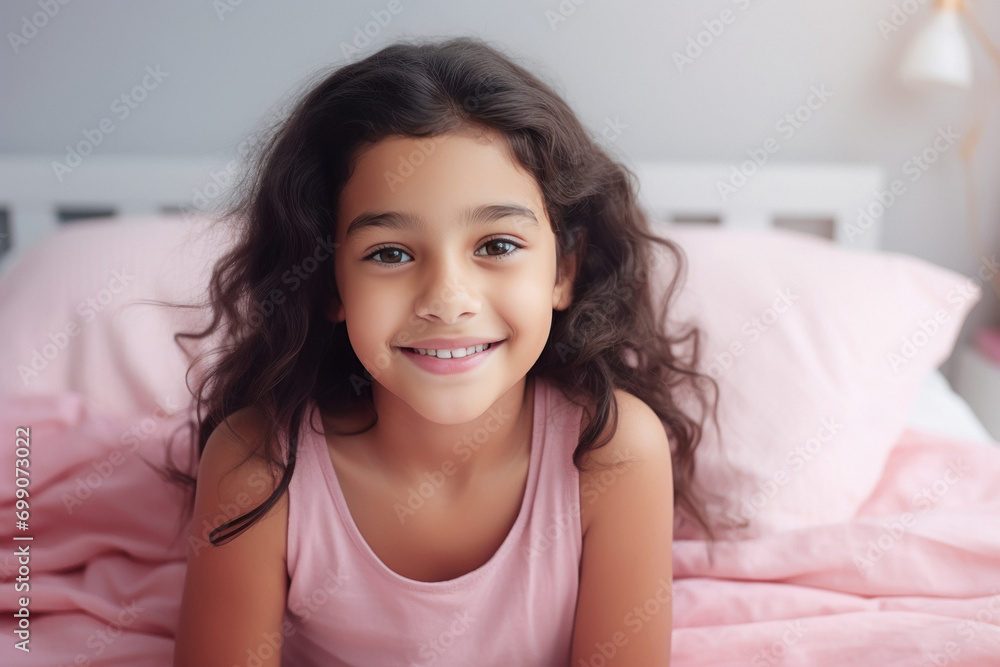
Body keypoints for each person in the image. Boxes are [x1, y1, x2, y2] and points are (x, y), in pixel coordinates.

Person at [166, 35, 722, 667]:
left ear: (564, 270)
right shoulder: (257, 467)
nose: (447, 300)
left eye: (497, 246)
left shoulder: (614, 454)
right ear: (329, 285)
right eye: (390, 253)